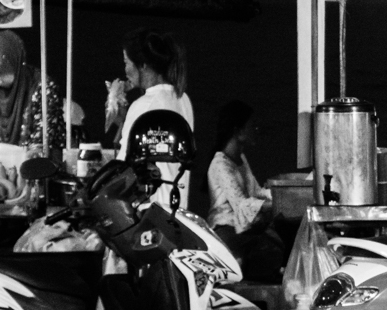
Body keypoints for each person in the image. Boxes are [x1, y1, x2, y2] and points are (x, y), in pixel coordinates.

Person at [109, 29, 193, 211]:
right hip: (178, 208)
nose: (125, 71)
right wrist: (125, 120)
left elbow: (124, 167)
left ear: (143, 65)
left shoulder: (144, 105)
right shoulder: (183, 99)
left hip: (151, 212)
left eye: (126, 62)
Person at [208, 100, 285, 282]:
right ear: (238, 131)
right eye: (252, 126)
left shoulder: (240, 159)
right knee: (269, 250)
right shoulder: (220, 164)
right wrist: (273, 203)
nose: (255, 130)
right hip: (226, 230)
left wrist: (281, 194)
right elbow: (241, 204)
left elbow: (255, 191)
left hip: (241, 228)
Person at [0, 30, 64, 153]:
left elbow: (40, 145)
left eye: (0, 74)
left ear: (14, 64)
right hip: (1, 164)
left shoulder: (43, 87)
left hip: (39, 166)